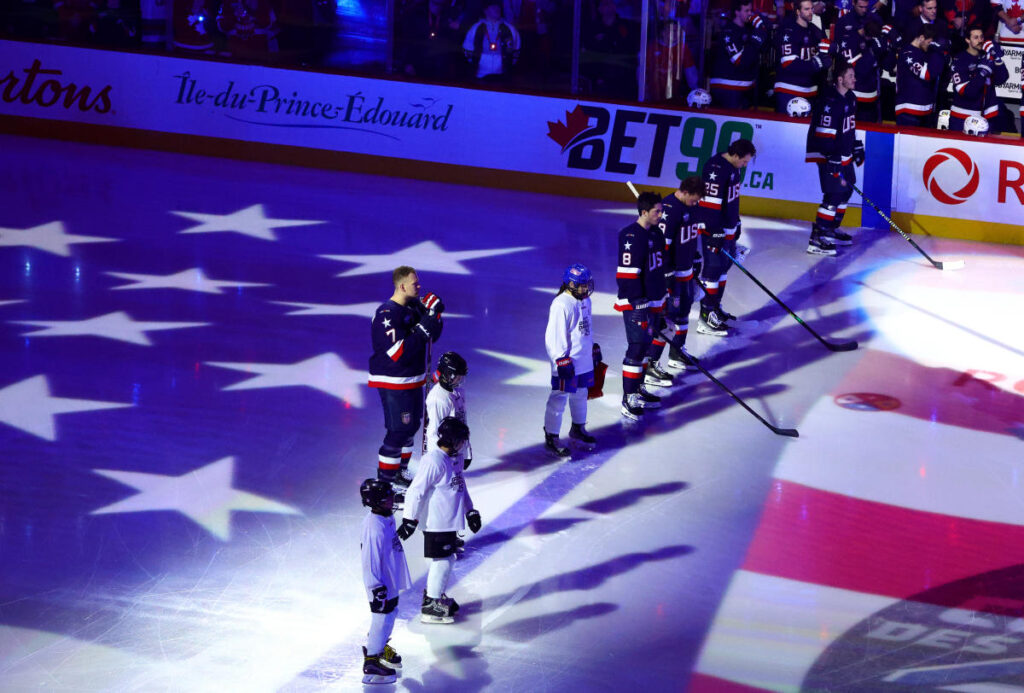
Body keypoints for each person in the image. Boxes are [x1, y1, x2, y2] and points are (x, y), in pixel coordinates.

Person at [398, 417, 480, 624]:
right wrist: (409, 519)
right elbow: (416, 491)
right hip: (437, 522)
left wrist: (470, 511)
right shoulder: (434, 461)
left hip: (448, 521)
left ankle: (434, 595)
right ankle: (432, 604)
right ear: (452, 440)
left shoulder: (452, 459)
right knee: (442, 561)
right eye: (461, 440)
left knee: (446, 559)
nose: (464, 444)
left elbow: (460, 485)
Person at [369, 266, 443, 491]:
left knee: (411, 428)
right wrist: (424, 326)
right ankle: (385, 482)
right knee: (398, 430)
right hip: (394, 382)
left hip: (412, 380)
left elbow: (432, 336)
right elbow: (397, 352)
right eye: (415, 284)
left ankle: (399, 472)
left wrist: (434, 316)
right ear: (402, 286)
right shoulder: (386, 314)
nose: (419, 287)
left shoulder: (412, 308)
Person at [616, 192, 667, 421]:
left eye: (661, 209)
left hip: (655, 300)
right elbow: (626, 275)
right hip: (637, 303)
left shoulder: (656, 233)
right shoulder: (630, 236)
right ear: (644, 212)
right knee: (636, 348)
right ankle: (628, 398)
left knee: (646, 347)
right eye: (657, 210)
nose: (661, 214)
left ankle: (638, 388)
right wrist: (638, 301)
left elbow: (658, 268)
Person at [696, 137, 756, 336]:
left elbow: (731, 200)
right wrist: (714, 231)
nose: (745, 165)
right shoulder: (716, 168)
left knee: (723, 267)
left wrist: (736, 222)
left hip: (727, 228)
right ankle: (705, 317)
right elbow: (709, 204)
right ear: (735, 155)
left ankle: (715, 307)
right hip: (716, 229)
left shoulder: (734, 167)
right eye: (744, 161)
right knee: (713, 269)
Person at [806, 60, 862, 256]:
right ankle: (817, 237)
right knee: (834, 194)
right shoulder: (829, 101)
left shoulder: (851, 98)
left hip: (841, 152)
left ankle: (831, 228)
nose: (854, 79)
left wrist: (855, 146)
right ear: (840, 79)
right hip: (827, 154)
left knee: (847, 189)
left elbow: (849, 127)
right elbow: (824, 134)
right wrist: (833, 158)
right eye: (850, 76)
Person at [359, 478, 410, 685]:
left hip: (390, 577)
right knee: (381, 617)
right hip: (380, 582)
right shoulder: (374, 527)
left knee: (391, 613)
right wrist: (375, 587)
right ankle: (372, 660)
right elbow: (369, 560)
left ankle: (379, 647)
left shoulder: (387, 517)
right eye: (388, 497)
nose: (392, 499)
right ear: (377, 501)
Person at [544, 264, 597, 457]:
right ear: (570, 284)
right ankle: (552, 435)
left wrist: (593, 348)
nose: (585, 289)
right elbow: (554, 336)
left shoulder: (586, 301)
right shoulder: (561, 304)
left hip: (583, 359)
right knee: (559, 398)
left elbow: (585, 327)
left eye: (587, 285)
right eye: (582, 285)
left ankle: (578, 428)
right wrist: (561, 359)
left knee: (581, 394)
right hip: (568, 360)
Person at [658, 176, 706, 370]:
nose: (696, 203)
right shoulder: (669, 210)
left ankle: (678, 352)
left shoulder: (691, 207)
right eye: (694, 199)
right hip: (674, 277)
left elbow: (690, 238)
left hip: (687, 273)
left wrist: (694, 258)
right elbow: (662, 248)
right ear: (684, 192)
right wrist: (667, 275)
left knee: (684, 313)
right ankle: (653, 364)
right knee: (668, 319)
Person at [709, 0, 769, 110]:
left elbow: (763, 49)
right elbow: (740, 61)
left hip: (745, 88)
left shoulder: (749, 29)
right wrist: (756, 38)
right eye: (746, 10)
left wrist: (762, 28)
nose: (750, 14)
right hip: (728, 88)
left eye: (751, 10)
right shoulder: (728, 32)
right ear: (737, 12)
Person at [774, 0, 831, 113]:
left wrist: (831, 50)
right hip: (789, 90)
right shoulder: (787, 31)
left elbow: (825, 53)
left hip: (810, 91)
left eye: (811, 8)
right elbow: (789, 64)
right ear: (798, 11)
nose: (811, 12)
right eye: (806, 9)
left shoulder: (815, 30)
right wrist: (817, 63)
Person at [949, 27, 1009, 132]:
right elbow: (967, 91)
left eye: (981, 37)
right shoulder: (959, 60)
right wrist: (982, 73)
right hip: (962, 116)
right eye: (975, 37)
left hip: (987, 117)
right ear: (967, 40)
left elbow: (1002, 79)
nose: (980, 40)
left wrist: (997, 59)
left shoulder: (987, 57)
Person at [582, 0, 639, 99]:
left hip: (625, 80)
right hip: (602, 80)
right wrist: (596, 76)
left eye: (610, 3)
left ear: (615, 7)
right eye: (604, 3)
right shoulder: (592, 28)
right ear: (599, 9)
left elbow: (632, 49)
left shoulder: (628, 26)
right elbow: (589, 54)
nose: (608, 6)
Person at [895, 23, 943, 125]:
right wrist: (937, 52)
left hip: (926, 110)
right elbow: (926, 75)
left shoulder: (927, 52)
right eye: (929, 42)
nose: (930, 45)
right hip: (908, 110)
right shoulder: (908, 53)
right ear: (921, 38)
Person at [462, 0, 521, 80]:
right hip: (479, 74)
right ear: (485, 10)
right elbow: (467, 49)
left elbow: (516, 50)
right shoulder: (476, 28)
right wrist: (476, 64)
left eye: (498, 6)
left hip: (503, 74)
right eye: (493, 6)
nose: (497, 9)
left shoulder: (509, 28)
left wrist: (508, 65)